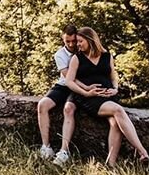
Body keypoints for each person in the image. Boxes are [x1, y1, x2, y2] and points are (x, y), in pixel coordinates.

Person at [65, 27, 149, 164]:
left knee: (115, 122)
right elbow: (69, 81)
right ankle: (142, 151)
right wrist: (86, 92)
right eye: (78, 42)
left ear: (90, 40)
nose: (78, 44)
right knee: (117, 110)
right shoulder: (77, 58)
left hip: (109, 95)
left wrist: (115, 89)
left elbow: (113, 77)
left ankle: (111, 164)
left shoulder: (107, 56)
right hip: (90, 98)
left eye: (81, 41)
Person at [37, 24, 102, 166]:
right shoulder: (59, 55)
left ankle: (64, 151)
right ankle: (46, 147)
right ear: (63, 39)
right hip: (64, 85)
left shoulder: (84, 49)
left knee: (68, 109)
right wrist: (86, 88)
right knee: (42, 105)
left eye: (74, 41)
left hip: (79, 87)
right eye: (68, 41)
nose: (72, 44)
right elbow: (68, 78)